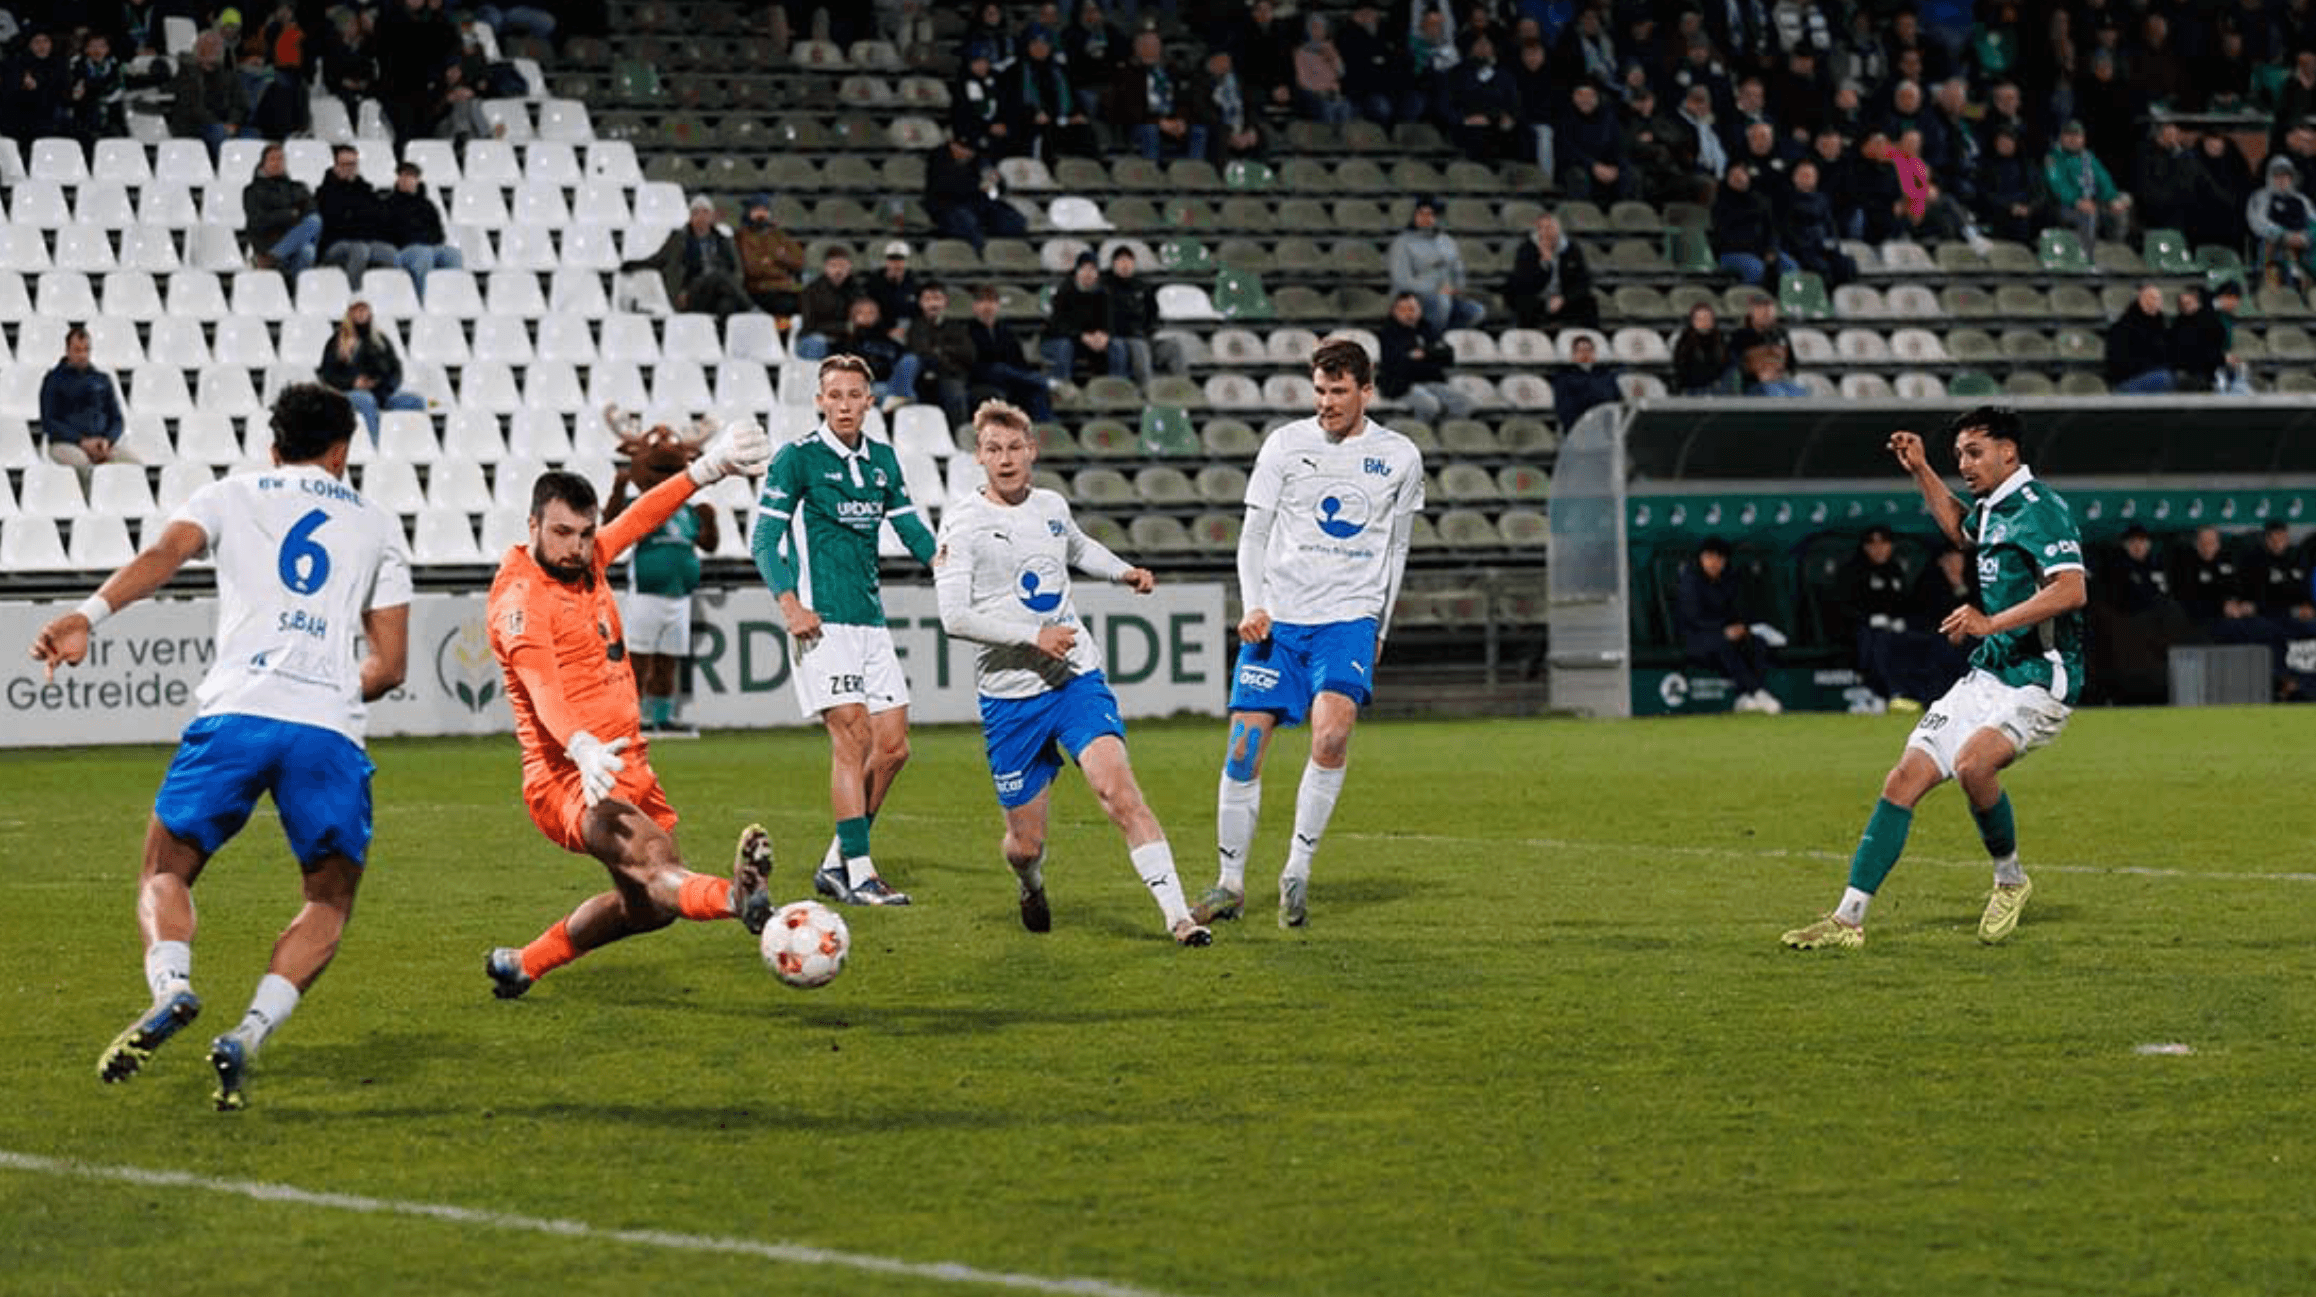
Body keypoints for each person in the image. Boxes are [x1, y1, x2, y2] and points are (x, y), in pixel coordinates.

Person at [32, 383, 411, 1111]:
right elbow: (390, 667)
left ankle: (172, 985)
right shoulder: (378, 525)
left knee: (163, 867)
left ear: (274, 447)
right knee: (327, 899)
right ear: (343, 450)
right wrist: (323, 693)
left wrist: (85, 616)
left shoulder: (230, 492)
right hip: (327, 729)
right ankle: (249, 1033)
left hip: (235, 713)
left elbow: (164, 555)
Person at [483, 422, 777, 1000]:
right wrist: (581, 746)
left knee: (647, 907)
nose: (577, 546)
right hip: (569, 778)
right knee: (652, 859)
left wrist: (706, 469)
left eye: (585, 533)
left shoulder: (585, 559)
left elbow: (638, 518)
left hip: (626, 761)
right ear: (533, 527)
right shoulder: (519, 600)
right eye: (562, 532)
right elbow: (543, 687)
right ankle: (735, 898)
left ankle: (524, 963)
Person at [1783, 407, 2089, 951]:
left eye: (1974, 453)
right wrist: (1922, 469)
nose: (1965, 465)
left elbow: (2071, 591)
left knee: (1973, 766)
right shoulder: (1995, 506)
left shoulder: (2042, 509)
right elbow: (1958, 528)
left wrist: (1989, 621)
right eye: (1958, 457)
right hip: (1990, 670)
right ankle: (1847, 919)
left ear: (2009, 452)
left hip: (2041, 677)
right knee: (1903, 779)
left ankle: (2010, 881)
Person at [934, 400, 1214, 946]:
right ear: (979, 457)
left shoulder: (1051, 505)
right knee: (1025, 844)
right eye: (994, 450)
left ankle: (1179, 918)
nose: (1006, 459)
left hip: (1073, 680)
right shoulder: (963, 523)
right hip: (1010, 699)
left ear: (1032, 450)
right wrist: (1031, 636)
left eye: (1015, 448)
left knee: (1118, 792)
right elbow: (953, 617)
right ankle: (1030, 883)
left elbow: (1078, 546)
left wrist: (1123, 571)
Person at [1192, 337, 1425, 930]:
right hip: (1279, 618)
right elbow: (1253, 535)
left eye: (1338, 391)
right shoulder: (1285, 445)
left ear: (1366, 392)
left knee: (1330, 738)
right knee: (1243, 750)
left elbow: (1397, 549)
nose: (1325, 402)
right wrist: (1253, 604)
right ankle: (1229, 884)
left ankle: (1297, 869)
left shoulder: (1399, 457)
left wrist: (1381, 627)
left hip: (1348, 618)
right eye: (1319, 390)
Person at [750, 356, 940, 907]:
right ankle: (860, 873)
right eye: (834, 394)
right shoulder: (797, 459)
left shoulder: (882, 460)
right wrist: (790, 604)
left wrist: (945, 562)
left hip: (871, 621)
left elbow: (907, 525)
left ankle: (836, 861)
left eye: (854, 395)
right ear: (819, 400)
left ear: (869, 401)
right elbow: (765, 540)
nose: (844, 404)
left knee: (895, 748)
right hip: (821, 621)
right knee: (852, 740)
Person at [606, 420, 720, 736]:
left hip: (680, 594)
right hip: (646, 591)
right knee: (639, 660)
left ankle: (662, 717)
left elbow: (709, 545)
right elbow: (610, 525)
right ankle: (633, 718)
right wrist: (618, 489)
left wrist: (710, 523)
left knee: (669, 660)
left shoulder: (689, 509)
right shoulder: (640, 505)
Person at [1677, 535, 1781, 713]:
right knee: (1722, 644)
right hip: (1695, 638)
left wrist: (1740, 627)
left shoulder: (1730, 580)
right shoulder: (1690, 580)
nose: (1713, 563)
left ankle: (1744, 696)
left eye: (1719, 559)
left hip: (1726, 634)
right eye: (1708, 557)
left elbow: (1737, 610)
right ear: (1701, 558)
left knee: (1757, 643)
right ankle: (1758, 692)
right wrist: (1724, 631)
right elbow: (1693, 618)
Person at [39, 327, 138, 483]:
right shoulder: (53, 380)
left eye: (86, 350)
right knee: (83, 465)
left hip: (102, 445)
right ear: (67, 351)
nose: (83, 355)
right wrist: (82, 441)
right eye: (77, 350)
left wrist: (107, 441)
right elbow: (49, 422)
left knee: (134, 466)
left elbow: (117, 418)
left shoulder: (102, 379)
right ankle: (88, 505)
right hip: (65, 444)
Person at [318, 300, 426, 442]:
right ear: (350, 312)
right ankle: (376, 445)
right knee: (366, 400)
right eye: (357, 309)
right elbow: (327, 374)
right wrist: (353, 382)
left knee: (416, 402)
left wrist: (382, 386)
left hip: (378, 393)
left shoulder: (380, 340)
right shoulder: (337, 341)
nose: (361, 313)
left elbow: (395, 370)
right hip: (346, 393)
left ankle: (410, 443)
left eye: (364, 309)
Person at [628, 196, 752, 318]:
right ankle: (750, 307)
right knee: (717, 275)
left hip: (716, 293)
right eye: (696, 213)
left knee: (727, 306)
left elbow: (737, 270)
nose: (701, 217)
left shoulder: (722, 241)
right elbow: (658, 260)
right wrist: (631, 265)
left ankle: (718, 334)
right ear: (690, 217)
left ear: (712, 216)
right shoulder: (680, 239)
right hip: (689, 293)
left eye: (705, 212)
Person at [1388, 197, 1483, 333]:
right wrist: (1435, 289)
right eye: (1421, 214)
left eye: (1430, 214)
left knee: (1476, 311)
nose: (1426, 218)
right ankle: (1433, 340)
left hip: (1447, 294)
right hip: (1414, 298)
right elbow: (1402, 281)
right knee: (1441, 303)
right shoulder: (1402, 243)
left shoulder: (1447, 241)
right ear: (1414, 216)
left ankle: (1448, 337)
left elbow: (1458, 270)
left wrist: (1455, 287)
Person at [1377, 290, 1472, 424]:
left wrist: (1425, 354)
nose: (1408, 313)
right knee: (1430, 405)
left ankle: (1446, 434)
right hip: (1402, 386)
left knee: (1464, 403)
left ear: (1420, 310)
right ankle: (1419, 436)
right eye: (1402, 309)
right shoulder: (1388, 333)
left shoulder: (1427, 328)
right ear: (1393, 311)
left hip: (1430, 381)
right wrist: (1430, 356)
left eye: (1412, 309)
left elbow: (1448, 355)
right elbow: (1400, 362)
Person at [923, 135, 1030, 254]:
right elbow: (947, 187)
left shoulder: (978, 158)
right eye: (964, 148)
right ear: (953, 145)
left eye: (971, 150)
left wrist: (995, 183)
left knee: (1014, 220)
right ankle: (980, 258)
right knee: (969, 223)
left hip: (978, 204)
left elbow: (997, 191)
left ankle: (1011, 256)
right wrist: (978, 186)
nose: (969, 153)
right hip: (947, 206)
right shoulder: (939, 158)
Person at [314, 144, 400, 288]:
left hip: (364, 240)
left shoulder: (365, 189)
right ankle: (354, 296)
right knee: (360, 250)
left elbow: (377, 217)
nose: (350, 168)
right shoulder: (325, 192)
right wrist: (358, 218)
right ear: (336, 166)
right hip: (334, 245)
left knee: (390, 252)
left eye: (353, 164)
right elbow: (334, 222)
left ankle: (388, 295)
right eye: (345, 164)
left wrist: (356, 217)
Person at [966, 283, 1055, 422]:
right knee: (999, 369)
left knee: (1036, 391)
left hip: (1010, 378)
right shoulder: (967, 331)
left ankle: (1045, 428)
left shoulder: (1006, 332)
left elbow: (1018, 360)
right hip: (982, 377)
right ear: (974, 306)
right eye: (982, 301)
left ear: (998, 306)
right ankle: (1045, 381)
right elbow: (972, 362)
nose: (987, 306)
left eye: (992, 301)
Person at [378, 160, 462, 298]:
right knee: (423, 254)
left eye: (411, 176)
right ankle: (422, 300)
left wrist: (427, 241)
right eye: (403, 176)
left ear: (417, 180)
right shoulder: (388, 204)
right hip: (401, 250)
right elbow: (385, 232)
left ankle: (452, 299)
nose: (407, 179)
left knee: (453, 255)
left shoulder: (427, 205)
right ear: (398, 178)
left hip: (428, 247)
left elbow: (438, 233)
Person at [1042, 251, 1128, 383]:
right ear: (1077, 271)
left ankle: (1117, 387)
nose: (1088, 273)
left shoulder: (1104, 293)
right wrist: (1082, 336)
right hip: (1062, 339)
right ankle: (1062, 387)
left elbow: (1110, 320)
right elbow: (1058, 325)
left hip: (1091, 342)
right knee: (1064, 346)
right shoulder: (1064, 291)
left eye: (1093, 269)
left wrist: (1105, 335)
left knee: (1118, 345)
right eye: (1084, 269)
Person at [1504, 211, 1599, 330]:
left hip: (1562, 298)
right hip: (1537, 298)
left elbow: (1584, 281)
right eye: (1542, 228)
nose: (1547, 232)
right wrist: (1544, 264)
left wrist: (1564, 298)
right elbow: (1524, 284)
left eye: (1551, 227)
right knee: (1523, 301)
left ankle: (1589, 339)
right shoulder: (1527, 249)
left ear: (1558, 229)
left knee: (1589, 302)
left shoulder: (1572, 249)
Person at [2045, 118, 2131, 248]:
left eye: (2077, 135)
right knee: (2089, 214)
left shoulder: (2088, 157)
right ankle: (2087, 255)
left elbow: (2104, 180)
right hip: (2064, 206)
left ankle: (2116, 249)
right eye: (2069, 135)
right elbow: (2058, 186)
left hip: (2092, 202)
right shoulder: (2053, 158)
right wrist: (2077, 201)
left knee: (2123, 200)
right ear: (2061, 137)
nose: (2073, 139)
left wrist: (2112, 199)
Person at [242, 140, 324, 274]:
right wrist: (290, 214)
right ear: (263, 164)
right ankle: (275, 256)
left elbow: (311, 210)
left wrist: (287, 216)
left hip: (296, 241)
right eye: (273, 159)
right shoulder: (252, 191)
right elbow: (258, 221)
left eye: (281, 159)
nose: (277, 162)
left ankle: (271, 260)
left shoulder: (297, 187)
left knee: (310, 242)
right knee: (312, 229)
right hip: (268, 242)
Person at [1103, 246, 1181, 384]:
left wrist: (1148, 331)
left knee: (1173, 346)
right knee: (1139, 346)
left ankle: (1183, 387)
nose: (1125, 265)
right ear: (1113, 264)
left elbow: (1153, 315)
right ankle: (1147, 390)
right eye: (1120, 261)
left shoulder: (1143, 287)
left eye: (1128, 261)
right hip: (1119, 340)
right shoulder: (1104, 287)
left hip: (1143, 336)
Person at [167, 29, 250, 159]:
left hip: (225, 124)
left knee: (252, 135)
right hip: (195, 126)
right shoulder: (186, 74)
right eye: (208, 46)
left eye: (216, 46)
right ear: (198, 48)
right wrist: (220, 125)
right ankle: (225, 172)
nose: (213, 49)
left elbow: (240, 105)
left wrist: (233, 122)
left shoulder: (229, 76)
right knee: (218, 132)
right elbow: (193, 108)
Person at [905, 280, 977, 426]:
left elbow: (969, 354)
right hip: (922, 378)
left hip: (950, 375)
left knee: (956, 394)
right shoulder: (915, 327)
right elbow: (921, 353)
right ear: (920, 303)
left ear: (945, 301)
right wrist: (947, 354)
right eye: (928, 299)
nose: (933, 304)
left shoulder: (957, 327)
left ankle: (959, 438)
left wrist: (940, 352)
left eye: (937, 299)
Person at [2246, 155, 2316, 288]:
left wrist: (2305, 237)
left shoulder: (2302, 199)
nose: (2282, 180)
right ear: (2270, 177)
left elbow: (2314, 221)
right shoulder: (2260, 197)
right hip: (2272, 244)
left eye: (2285, 176)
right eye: (2277, 176)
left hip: (2302, 243)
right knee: (2272, 248)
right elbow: (2257, 222)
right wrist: (2284, 235)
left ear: (2292, 178)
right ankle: (2271, 286)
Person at [735, 193, 806, 317]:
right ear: (749, 213)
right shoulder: (742, 236)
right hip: (760, 289)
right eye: (757, 210)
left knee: (811, 301)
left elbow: (799, 262)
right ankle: (782, 335)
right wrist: (781, 265)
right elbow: (752, 269)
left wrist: (779, 258)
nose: (761, 214)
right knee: (786, 305)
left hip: (785, 287)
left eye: (764, 210)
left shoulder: (779, 234)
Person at [794, 245, 864, 361]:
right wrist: (844, 327)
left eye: (842, 266)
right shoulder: (811, 291)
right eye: (833, 266)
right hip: (815, 337)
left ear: (849, 267)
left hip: (846, 339)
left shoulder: (857, 290)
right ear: (825, 267)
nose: (838, 270)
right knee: (816, 342)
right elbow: (809, 325)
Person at [2105, 283, 2174, 394]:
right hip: (2128, 380)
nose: (2154, 303)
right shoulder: (2123, 328)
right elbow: (2118, 363)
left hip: (2154, 375)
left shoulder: (2161, 326)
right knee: (2164, 378)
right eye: (2150, 299)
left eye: (2157, 299)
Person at [1550, 334, 1622, 428]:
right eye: (1581, 351)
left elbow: (1616, 401)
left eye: (1589, 350)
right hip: (1581, 427)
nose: (1585, 354)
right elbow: (1565, 410)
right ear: (1573, 355)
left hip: (1607, 425)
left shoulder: (1607, 375)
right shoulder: (1563, 378)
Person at [1671, 303, 1732, 395]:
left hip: (1717, 387)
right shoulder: (1684, 341)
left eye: (1707, 319)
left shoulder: (1721, 339)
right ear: (1692, 321)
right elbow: (1683, 370)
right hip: (1692, 388)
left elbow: (1727, 364)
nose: (1704, 322)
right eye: (1700, 319)